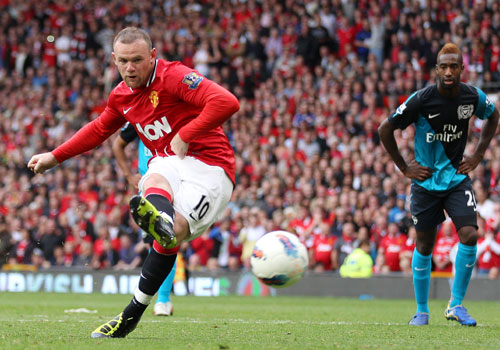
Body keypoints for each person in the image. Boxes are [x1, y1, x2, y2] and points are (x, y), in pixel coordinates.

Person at [28, 27, 239, 338]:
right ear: (114, 59)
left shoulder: (175, 76)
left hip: (211, 169)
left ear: (152, 56)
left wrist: (186, 134)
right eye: (124, 61)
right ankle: (161, 221)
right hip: (169, 162)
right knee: (153, 175)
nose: (130, 68)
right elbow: (100, 129)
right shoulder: (121, 95)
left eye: (138, 60)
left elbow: (227, 102)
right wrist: (55, 156)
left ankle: (133, 310)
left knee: (175, 233)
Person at [378, 43, 499, 326]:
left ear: (461, 69)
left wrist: (479, 153)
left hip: (456, 179)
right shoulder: (421, 99)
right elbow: (385, 128)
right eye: (443, 66)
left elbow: (493, 116)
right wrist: (404, 167)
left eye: (453, 66)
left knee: (469, 235)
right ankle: (422, 311)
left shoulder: (472, 97)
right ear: (436, 69)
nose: (448, 71)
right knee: (424, 244)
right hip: (426, 183)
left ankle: (456, 305)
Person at [112, 122, 177, 316]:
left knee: (168, 237)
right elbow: (118, 144)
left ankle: (163, 300)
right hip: (149, 185)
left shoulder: (177, 113)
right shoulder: (138, 115)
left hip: (176, 181)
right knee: (155, 242)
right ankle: (163, 299)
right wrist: (128, 174)